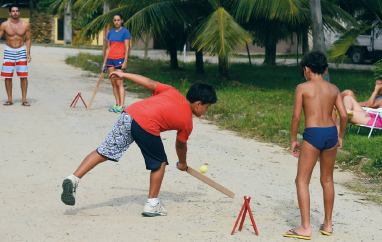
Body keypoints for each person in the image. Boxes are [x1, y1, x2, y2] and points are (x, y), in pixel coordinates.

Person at [60, 72, 217, 217]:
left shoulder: (172, 91)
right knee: (159, 162)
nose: (206, 111)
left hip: (129, 114)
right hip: (146, 124)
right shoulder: (187, 122)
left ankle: (74, 178)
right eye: (206, 107)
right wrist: (182, 162)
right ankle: (152, 204)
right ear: (198, 104)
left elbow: (148, 82)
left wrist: (123, 74)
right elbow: (180, 146)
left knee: (104, 152)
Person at [284, 51, 348, 239]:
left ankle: (305, 227)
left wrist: (294, 139)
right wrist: (341, 136)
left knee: (302, 180)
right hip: (330, 134)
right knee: (327, 180)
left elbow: (296, 116)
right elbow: (343, 115)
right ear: (325, 69)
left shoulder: (302, 88)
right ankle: (327, 224)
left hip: (313, 134)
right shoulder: (334, 88)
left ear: (306, 69)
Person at [0, 4, 32, 106]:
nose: (15, 13)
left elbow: (28, 39)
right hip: (9, 50)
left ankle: (24, 99)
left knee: (23, 76)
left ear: (19, 12)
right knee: (8, 76)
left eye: (17, 11)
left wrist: (28, 53)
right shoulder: (4, 25)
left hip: (21, 51)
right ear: (9, 13)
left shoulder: (25, 25)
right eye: (13, 11)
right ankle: (9, 98)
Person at [102, 13, 131, 113]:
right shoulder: (110, 33)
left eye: (118, 20)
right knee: (113, 83)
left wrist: (125, 61)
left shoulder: (125, 32)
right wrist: (104, 63)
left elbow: (127, 48)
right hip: (110, 59)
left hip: (120, 59)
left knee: (119, 83)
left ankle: (122, 106)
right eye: (115, 20)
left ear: (122, 20)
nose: (116, 22)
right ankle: (117, 104)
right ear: (113, 21)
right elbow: (108, 48)